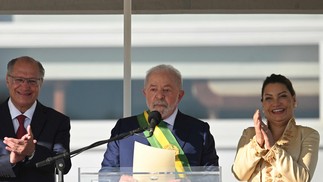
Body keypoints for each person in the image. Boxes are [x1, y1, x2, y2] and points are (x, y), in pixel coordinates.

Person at [100, 64, 219, 171]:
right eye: (153, 89)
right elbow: (106, 174)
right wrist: (120, 180)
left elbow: (212, 176)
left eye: (166, 90)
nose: (160, 95)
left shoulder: (199, 131)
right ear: (145, 93)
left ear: (180, 95)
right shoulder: (124, 129)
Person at [232, 74, 320, 182]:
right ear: (263, 105)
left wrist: (273, 149)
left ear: (294, 100)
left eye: (282, 96)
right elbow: (239, 174)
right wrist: (258, 143)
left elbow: (302, 179)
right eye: (269, 98)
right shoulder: (250, 134)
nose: (276, 103)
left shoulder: (308, 135)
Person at [0, 56, 71, 182]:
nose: (25, 86)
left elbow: (63, 164)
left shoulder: (57, 121)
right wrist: (11, 160)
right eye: (19, 80)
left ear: (41, 83)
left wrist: (33, 152)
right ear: (7, 80)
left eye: (32, 81)